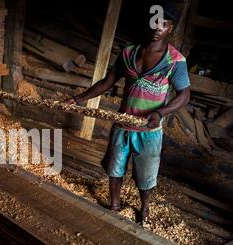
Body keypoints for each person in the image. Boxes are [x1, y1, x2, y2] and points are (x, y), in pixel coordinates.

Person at [66, 1, 191, 225]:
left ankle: (143, 209)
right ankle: (114, 205)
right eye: (153, 22)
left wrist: (161, 113)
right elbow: (107, 82)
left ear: (170, 28)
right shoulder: (128, 53)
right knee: (115, 168)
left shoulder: (175, 61)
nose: (157, 28)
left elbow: (184, 95)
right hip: (122, 124)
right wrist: (78, 99)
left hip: (149, 130)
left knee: (145, 175)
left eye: (163, 24)